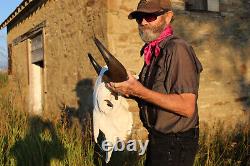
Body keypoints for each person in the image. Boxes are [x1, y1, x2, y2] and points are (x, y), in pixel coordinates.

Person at [107, 0, 203, 165]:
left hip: (176, 144)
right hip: (159, 138)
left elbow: (187, 107)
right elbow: (154, 95)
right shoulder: (155, 50)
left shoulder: (177, 49)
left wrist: (138, 90)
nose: (143, 22)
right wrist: (129, 90)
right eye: (139, 18)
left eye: (150, 16)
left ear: (168, 17)